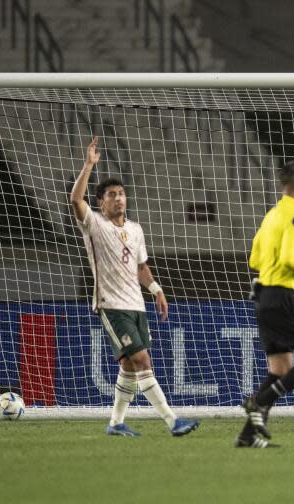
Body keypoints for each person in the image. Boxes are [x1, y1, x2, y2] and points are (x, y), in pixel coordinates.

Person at [71, 137, 199, 437]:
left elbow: (141, 267)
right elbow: (76, 200)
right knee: (142, 360)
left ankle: (116, 422)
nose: (118, 198)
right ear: (101, 202)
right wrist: (89, 165)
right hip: (111, 304)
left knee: (130, 366)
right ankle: (172, 421)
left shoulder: (135, 229)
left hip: (136, 304)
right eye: (111, 195)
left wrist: (156, 290)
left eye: (121, 194)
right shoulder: (94, 224)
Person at [237, 160, 294, 449]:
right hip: (281, 298)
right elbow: (290, 259)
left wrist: (287, 272)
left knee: (280, 368)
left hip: (264, 298)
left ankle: (247, 437)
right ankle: (258, 401)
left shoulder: (272, 215)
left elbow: (254, 259)